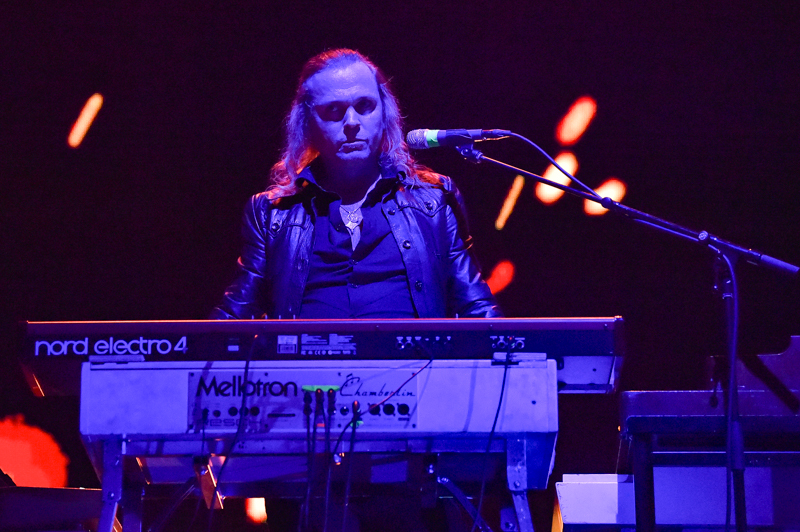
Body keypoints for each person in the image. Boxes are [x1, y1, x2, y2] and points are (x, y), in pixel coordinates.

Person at [211, 48, 500, 321]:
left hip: (415, 369)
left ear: (384, 114)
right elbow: (235, 313)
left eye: (364, 106)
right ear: (307, 123)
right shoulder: (272, 212)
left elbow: (476, 307)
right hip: (308, 373)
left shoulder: (434, 200)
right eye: (334, 110)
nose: (352, 122)